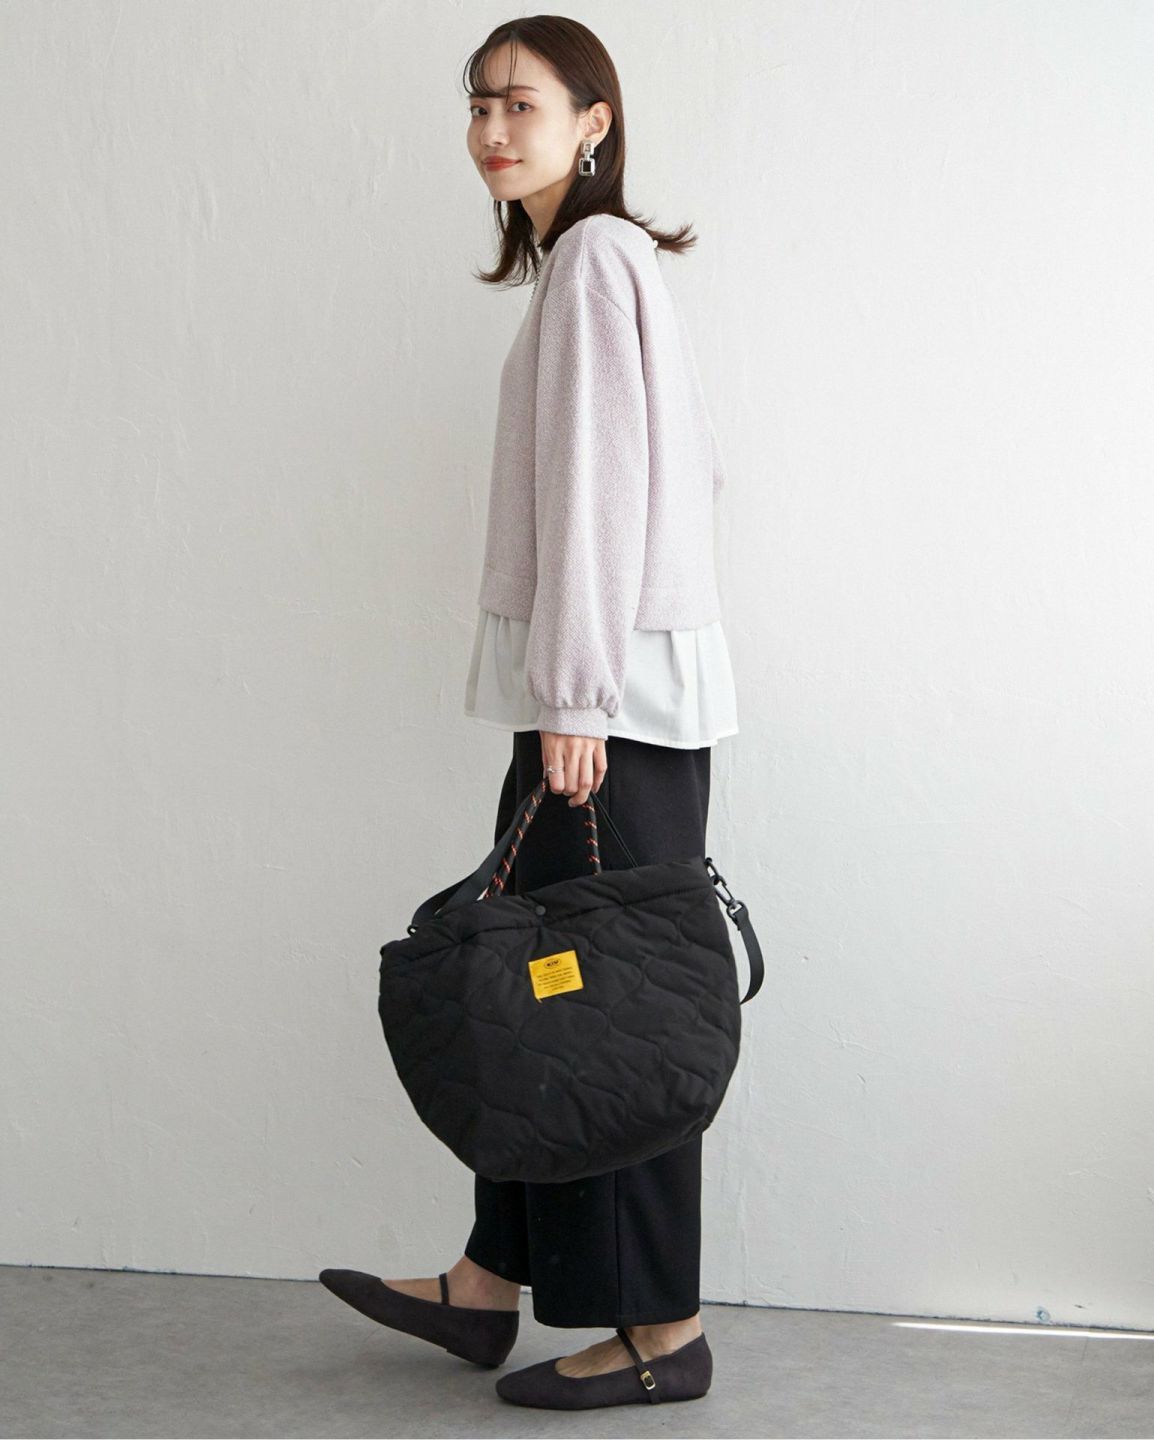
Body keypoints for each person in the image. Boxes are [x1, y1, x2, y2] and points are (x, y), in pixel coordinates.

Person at [319, 15, 738, 1411]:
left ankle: (664, 1333)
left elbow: (604, 498)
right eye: (480, 104)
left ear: (593, 122)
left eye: (524, 103)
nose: (493, 129)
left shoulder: (597, 261)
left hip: (607, 706)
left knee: (618, 1009)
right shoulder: (582, 266)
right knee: (535, 984)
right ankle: (489, 1279)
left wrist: (575, 692)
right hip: (603, 697)